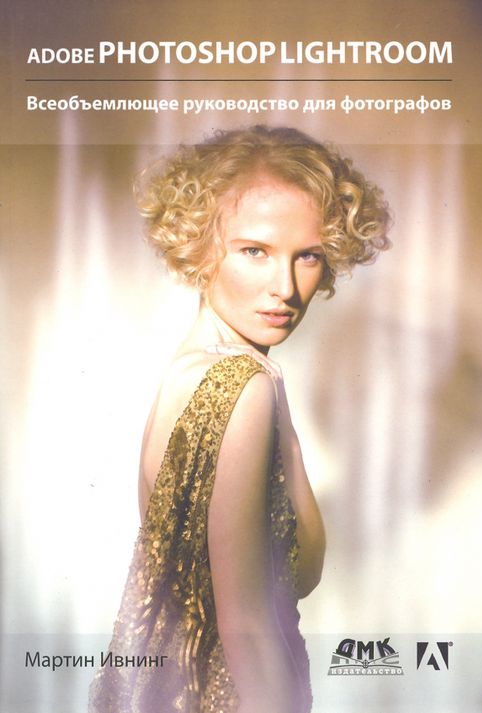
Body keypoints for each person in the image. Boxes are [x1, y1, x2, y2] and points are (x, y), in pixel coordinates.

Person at [88, 125, 390, 713]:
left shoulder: (189, 376)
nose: (286, 287)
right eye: (255, 251)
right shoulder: (242, 387)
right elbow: (249, 629)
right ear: (199, 245)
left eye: (308, 256)